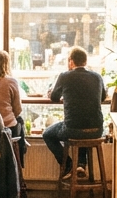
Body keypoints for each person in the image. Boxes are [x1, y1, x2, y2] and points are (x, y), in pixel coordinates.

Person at [44, 46, 106, 175]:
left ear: (71, 61)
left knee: (48, 134)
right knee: (82, 124)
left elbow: (54, 97)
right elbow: (103, 97)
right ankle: (81, 165)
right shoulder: (97, 77)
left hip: (73, 129)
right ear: (85, 61)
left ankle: (68, 165)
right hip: (97, 130)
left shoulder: (65, 76)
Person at [0, 50, 25, 158]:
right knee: (20, 122)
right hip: (8, 126)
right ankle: (18, 162)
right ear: (7, 63)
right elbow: (18, 109)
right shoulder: (11, 81)